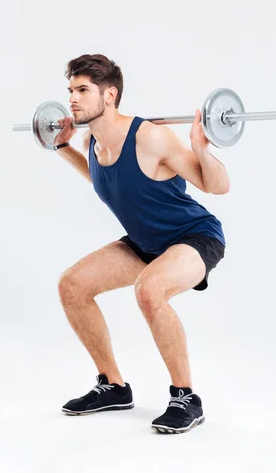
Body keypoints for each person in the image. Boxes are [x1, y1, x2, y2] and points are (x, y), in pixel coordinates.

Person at [55, 54, 229, 434]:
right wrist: (63, 147)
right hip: (145, 242)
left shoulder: (150, 136)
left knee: (149, 289)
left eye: (83, 90)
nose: (73, 99)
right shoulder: (92, 141)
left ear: (110, 94)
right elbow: (108, 184)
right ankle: (113, 386)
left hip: (195, 236)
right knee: (72, 285)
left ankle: (186, 399)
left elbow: (217, 186)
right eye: (71, 90)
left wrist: (201, 147)